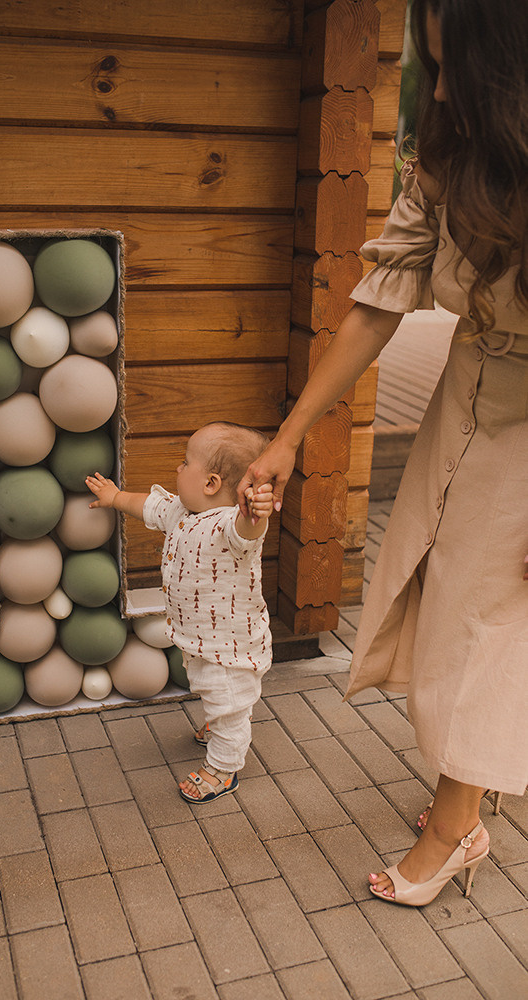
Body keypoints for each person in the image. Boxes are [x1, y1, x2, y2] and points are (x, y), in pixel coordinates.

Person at [238, 0, 527, 906]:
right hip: (465, 397)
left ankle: (455, 830)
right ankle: (463, 789)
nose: (436, 90)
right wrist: (287, 438)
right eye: (429, 65)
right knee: (442, 592)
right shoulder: (449, 151)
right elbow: (378, 300)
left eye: (454, 71)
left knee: (488, 621)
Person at [86, 421, 275, 803]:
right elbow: (148, 506)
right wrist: (116, 496)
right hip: (198, 636)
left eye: (185, 462)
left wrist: (257, 511)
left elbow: (248, 530)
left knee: (229, 701)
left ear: (211, 483)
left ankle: (224, 768)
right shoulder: (180, 511)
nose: (177, 469)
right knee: (209, 688)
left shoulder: (229, 526)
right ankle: (218, 722)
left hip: (229, 644)